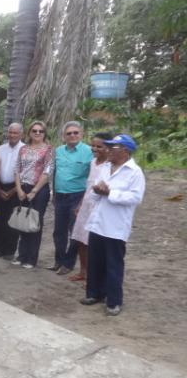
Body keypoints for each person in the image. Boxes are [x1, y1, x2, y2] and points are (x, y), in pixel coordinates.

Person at [81, 134, 145, 316]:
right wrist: (97, 191)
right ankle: (94, 293)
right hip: (98, 222)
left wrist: (110, 193)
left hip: (115, 226)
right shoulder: (105, 167)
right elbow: (94, 189)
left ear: (125, 151)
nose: (108, 150)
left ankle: (114, 301)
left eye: (113, 148)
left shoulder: (134, 172)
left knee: (113, 264)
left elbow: (135, 197)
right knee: (95, 261)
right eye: (108, 147)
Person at [50, 121, 93, 275]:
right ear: (64, 136)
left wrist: (84, 200)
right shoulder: (59, 151)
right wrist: (54, 193)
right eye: (69, 133)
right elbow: (55, 173)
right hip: (60, 195)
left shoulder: (89, 151)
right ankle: (59, 261)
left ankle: (68, 263)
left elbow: (92, 175)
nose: (72, 135)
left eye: (75, 132)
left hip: (78, 196)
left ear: (81, 134)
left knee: (74, 232)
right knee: (58, 232)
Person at [68, 132, 112, 282]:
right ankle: (83, 272)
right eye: (93, 145)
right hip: (86, 204)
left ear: (108, 147)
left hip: (100, 207)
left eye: (99, 146)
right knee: (81, 239)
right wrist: (81, 204)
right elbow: (88, 185)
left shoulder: (111, 166)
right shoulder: (93, 162)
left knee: (95, 243)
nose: (95, 148)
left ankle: (94, 277)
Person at [13, 121, 54, 269]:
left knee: (35, 223)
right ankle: (21, 255)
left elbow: (47, 172)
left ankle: (31, 258)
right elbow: (17, 169)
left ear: (44, 133)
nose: (37, 133)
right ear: (29, 132)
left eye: (40, 131)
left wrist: (34, 191)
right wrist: (18, 189)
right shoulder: (23, 149)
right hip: (23, 187)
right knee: (23, 221)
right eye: (34, 130)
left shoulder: (48, 149)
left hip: (39, 189)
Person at [0, 123, 25, 259]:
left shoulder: (25, 149)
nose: (12, 135)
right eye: (10, 132)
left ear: (21, 134)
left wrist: (13, 191)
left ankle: (10, 250)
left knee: (12, 220)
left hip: (17, 188)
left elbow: (25, 173)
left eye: (15, 133)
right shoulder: (0, 149)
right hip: (0, 187)